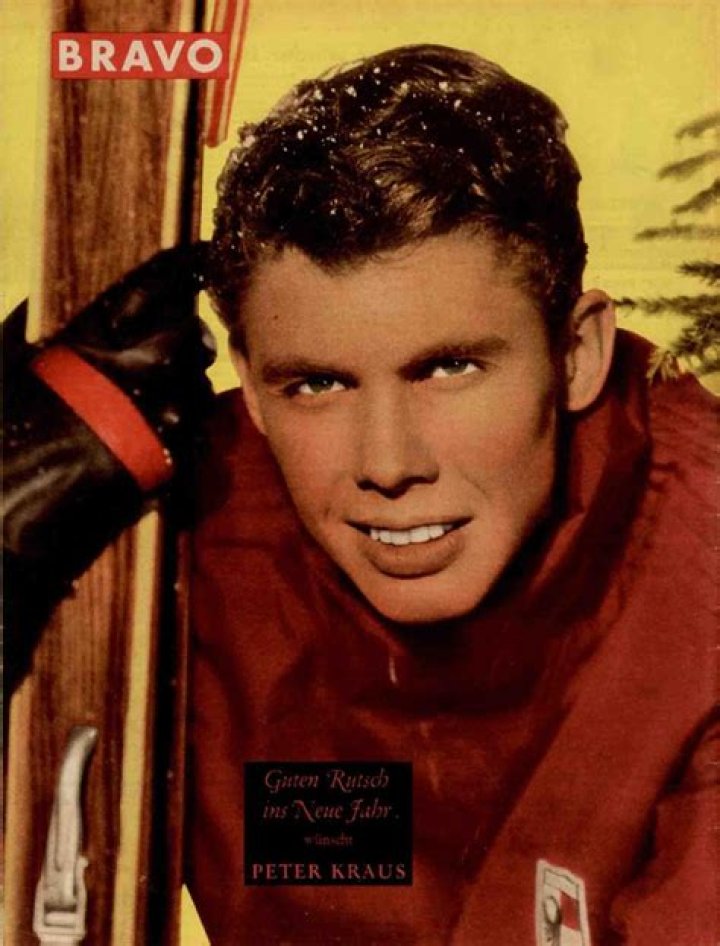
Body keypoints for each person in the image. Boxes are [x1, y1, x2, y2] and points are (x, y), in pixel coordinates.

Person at [3, 44, 716, 945]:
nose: (387, 463)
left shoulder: (702, 576)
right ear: (250, 383)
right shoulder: (177, 530)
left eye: (449, 368)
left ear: (576, 353)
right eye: (318, 385)